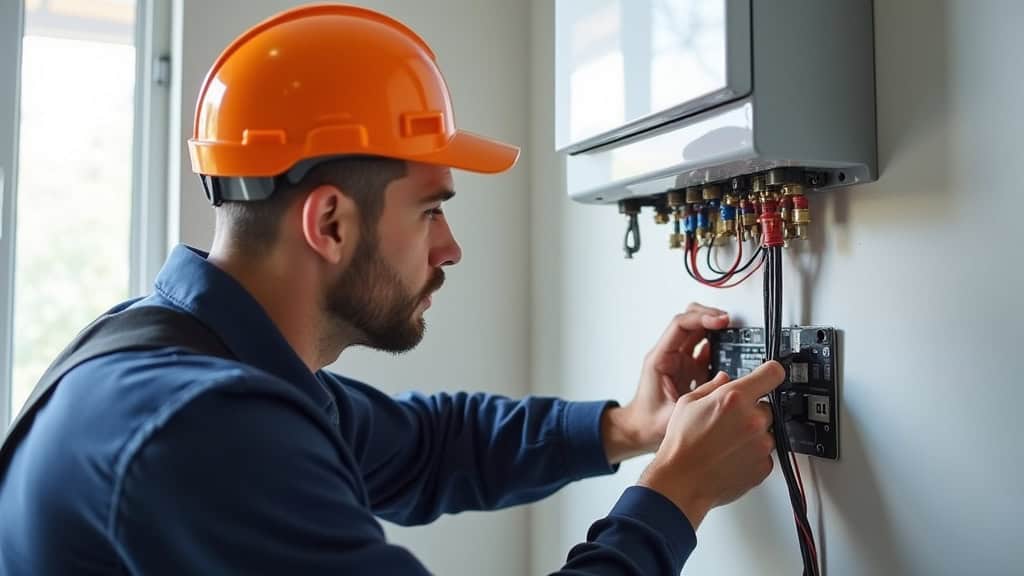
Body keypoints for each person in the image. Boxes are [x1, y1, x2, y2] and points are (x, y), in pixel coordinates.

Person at [0, 4, 784, 574]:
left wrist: (629, 427)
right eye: (431, 211)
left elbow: (429, 447)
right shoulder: (199, 429)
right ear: (330, 223)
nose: (451, 248)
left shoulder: (194, 357)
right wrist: (676, 496)